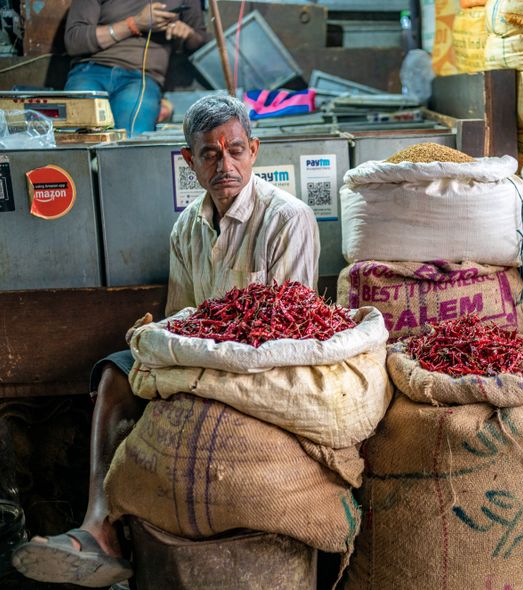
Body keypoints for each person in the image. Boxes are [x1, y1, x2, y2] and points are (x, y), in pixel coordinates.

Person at [11, 95, 321, 588]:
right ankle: (99, 528)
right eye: (210, 154)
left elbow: (290, 330)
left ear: (254, 151)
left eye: (235, 151)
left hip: (262, 365)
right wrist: (157, 343)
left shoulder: (288, 219)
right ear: (189, 161)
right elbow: (182, 315)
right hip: (200, 356)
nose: (225, 165)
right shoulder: (187, 227)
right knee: (115, 371)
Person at [64, 1, 208, 136]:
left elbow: (202, 42)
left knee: (132, 138)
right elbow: (74, 41)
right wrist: (134, 24)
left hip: (140, 78)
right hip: (90, 70)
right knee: (75, 136)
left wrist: (188, 34)